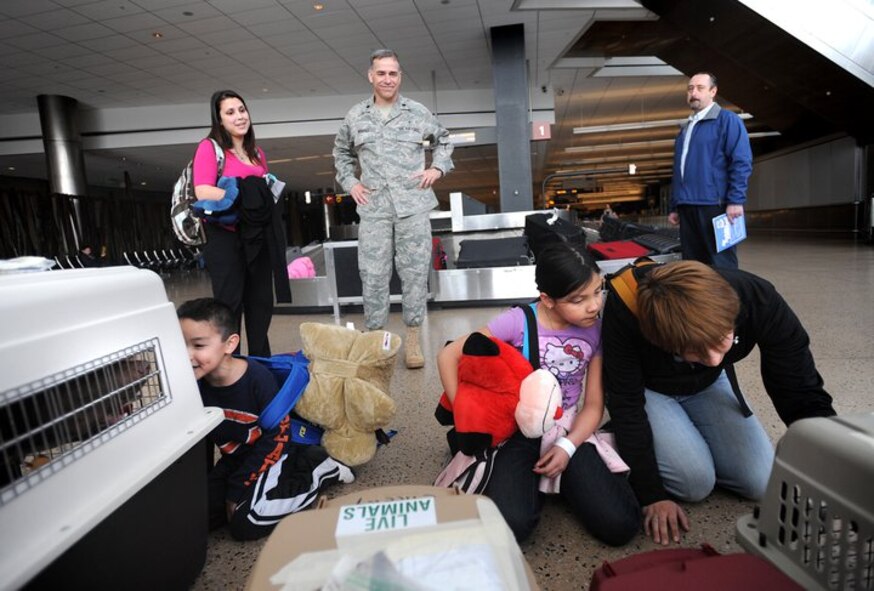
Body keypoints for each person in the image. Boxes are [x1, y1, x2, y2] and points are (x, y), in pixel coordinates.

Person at [602, 260, 837, 545]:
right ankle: (618, 439)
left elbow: (798, 384)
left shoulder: (757, 299)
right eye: (694, 351)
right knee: (694, 483)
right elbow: (625, 401)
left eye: (721, 340)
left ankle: (681, 430)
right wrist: (651, 495)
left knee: (759, 480)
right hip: (649, 389)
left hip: (709, 384)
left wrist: (830, 455)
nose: (714, 359)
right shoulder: (625, 309)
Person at [437, 243, 641, 546]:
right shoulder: (518, 321)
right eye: (578, 299)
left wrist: (568, 447)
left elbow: (594, 404)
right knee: (510, 526)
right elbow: (449, 356)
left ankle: (560, 479)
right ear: (547, 299)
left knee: (620, 525)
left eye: (598, 291)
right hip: (518, 430)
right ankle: (544, 485)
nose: (594, 306)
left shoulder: (596, 329)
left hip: (568, 427)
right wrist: (466, 414)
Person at [177, 297, 354, 541]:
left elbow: (276, 438)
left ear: (230, 344)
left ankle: (321, 468)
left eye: (198, 346)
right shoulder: (195, 385)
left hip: (275, 453)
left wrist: (236, 490)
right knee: (196, 520)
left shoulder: (257, 380)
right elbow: (200, 437)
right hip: (235, 459)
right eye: (181, 345)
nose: (187, 355)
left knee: (247, 522)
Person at [333, 49, 454, 369]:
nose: (388, 79)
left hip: (413, 205)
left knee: (414, 274)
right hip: (374, 208)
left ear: (400, 76)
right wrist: (351, 183)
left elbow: (445, 140)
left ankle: (413, 341)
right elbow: (341, 154)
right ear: (370, 76)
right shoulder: (355, 116)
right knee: (372, 275)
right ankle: (378, 344)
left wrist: (437, 169)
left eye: (393, 73)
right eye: (382, 73)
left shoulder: (417, 112)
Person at [192, 89, 290, 358]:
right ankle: (230, 367)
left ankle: (261, 364)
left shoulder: (256, 152)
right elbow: (202, 190)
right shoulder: (209, 148)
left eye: (242, 110)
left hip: (257, 238)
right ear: (219, 119)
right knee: (230, 307)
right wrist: (243, 192)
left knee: (260, 306)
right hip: (226, 239)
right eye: (230, 112)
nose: (239, 117)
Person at [669, 72, 752, 269]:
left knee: (722, 264)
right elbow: (679, 170)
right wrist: (675, 205)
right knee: (693, 266)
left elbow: (741, 162)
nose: (693, 93)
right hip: (687, 205)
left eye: (700, 88)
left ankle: (729, 300)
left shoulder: (728, 121)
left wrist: (735, 200)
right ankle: (703, 301)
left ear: (713, 92)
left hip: (715, 206)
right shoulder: (685, 129)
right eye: (690, 89)